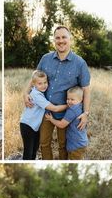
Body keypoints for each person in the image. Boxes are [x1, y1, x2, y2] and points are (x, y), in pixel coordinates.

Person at [24, 26, 90, 160]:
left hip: (66, 114)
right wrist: (25, 93)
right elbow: (34, 79)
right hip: (46, 111)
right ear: (54, 40)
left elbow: (86, 90)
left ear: (70, 39)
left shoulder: (80, 63)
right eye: (57, 38)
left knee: (63, 144)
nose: (61, 41)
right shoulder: (46, 58)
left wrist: (86, 113)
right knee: (44, 142)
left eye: (64, 37)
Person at [20, 70, 67, 160]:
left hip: (35, 126)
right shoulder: (37, 95)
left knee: (34, 150)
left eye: (45, 82)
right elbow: (55, 108)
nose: (44, 85)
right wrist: (69, 105)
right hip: (27, 125)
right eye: (40, 83)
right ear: (33, 84)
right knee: (28, 152)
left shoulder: (39, 92)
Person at [45, 86, 88, 160]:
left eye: (72, 99)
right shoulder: (80, 106)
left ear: (81, 99)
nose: (69, 101)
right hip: (81, 142)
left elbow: (62, 125)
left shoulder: (72, 110)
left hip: (76, 145)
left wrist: (51, 119)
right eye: (68, 99)